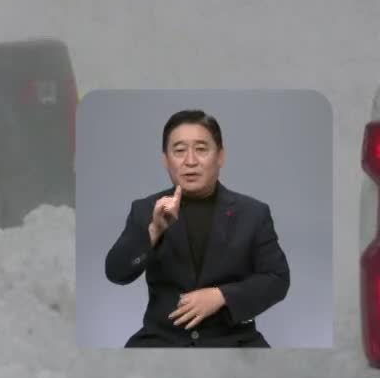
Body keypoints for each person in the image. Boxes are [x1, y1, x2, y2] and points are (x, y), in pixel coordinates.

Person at [103, 108, 291, 347]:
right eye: (179, 151)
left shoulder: (253, 213)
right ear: (165, 160)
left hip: (233, 340)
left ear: (220, 156)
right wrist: (153, 231)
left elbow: (278, 279)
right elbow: (116, 273)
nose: (190, 161)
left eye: (201, 149)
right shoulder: (146, 209)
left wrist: (221, 296)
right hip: (162, 339)